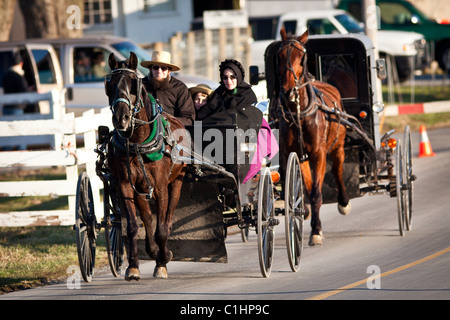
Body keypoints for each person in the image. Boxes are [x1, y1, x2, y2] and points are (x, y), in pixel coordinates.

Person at [141, 51, 195, 126]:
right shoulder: (140, 85)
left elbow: (188, 119)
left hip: (172, 133)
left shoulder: (180, 88)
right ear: (150, 69)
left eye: (163, 68)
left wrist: (167, 119)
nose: (159, 71)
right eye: (156, 67)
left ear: (169, 71)